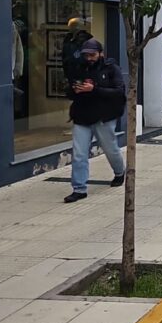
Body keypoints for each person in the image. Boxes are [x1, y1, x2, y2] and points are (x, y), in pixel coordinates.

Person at [63, 39, 126, 203]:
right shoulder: (78, 68)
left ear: (101, 54)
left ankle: (120, 172)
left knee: (110, 149)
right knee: (79, 154)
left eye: (93, 55)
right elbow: (68, 91)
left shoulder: (111, 68)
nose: (89, 58)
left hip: (104, 117)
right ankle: (79, 188)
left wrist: (94, 89)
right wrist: (74, 91)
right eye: (86, 55)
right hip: (81, 116)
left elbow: (119, 92)